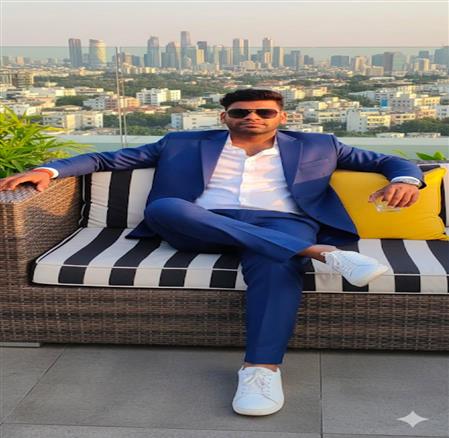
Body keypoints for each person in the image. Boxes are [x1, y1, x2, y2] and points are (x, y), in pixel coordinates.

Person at [0, 89, 424, 417]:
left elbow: (388, 161)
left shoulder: (320, 145)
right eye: (241, 112)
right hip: (199, 222)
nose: (253, 118)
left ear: (282, 117)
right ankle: (320, 252)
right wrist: (48, 170)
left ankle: (261, 371)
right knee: (164, 207)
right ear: (225, 117)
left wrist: (406, 180)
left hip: (281, 224)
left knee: (276, 262)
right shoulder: (181, 142)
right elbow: (105, 158)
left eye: (264, 112)